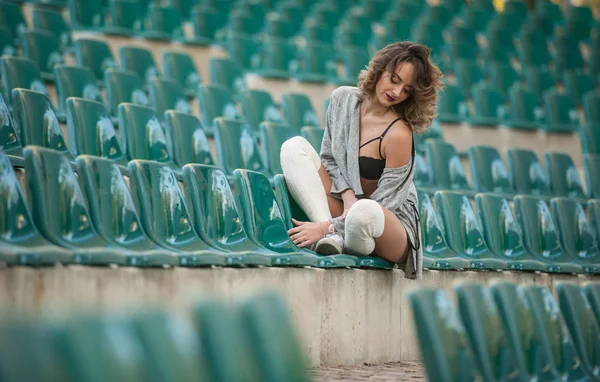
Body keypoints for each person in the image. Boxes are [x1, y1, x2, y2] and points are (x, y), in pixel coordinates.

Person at [279, 41, 443, 280]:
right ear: (379, 69)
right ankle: (334, 239)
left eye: (407, 89)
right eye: (394, 79)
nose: (397, 92)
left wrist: (328, 225)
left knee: (364, 211)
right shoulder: (342, 99)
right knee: (293, 148)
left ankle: (330, 233)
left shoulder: (399, 134)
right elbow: (329, 158)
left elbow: (387, 203)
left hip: (387, 225)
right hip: (345, 208)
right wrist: (347, 196)